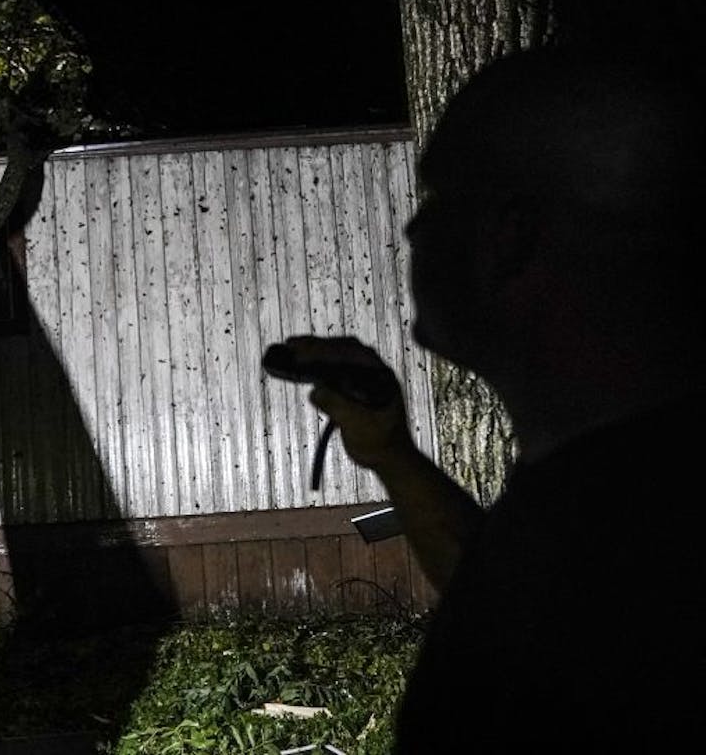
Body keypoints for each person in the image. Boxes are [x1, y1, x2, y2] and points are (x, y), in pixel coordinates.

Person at [267, 44, 703, 751]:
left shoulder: (650, 531)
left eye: (438, 198)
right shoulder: (615, 482)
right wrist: (392, 455)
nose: (412, 229)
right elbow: (507, 597)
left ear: (510, 234)